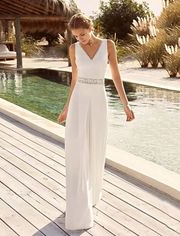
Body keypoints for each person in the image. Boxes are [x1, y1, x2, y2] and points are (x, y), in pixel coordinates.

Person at [57, 13, 135, 231]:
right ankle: (78, 204)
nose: (80, 39)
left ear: (90, 28)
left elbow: (116, 76)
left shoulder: (108, 45)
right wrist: (66, 108)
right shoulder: (73, 49)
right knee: (77, 150)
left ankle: (92, 193)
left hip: (99, 101)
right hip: (80, 101)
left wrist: (125, 105)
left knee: (96, 149)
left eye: (82, 34)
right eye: (75, 36)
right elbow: (74, 80)